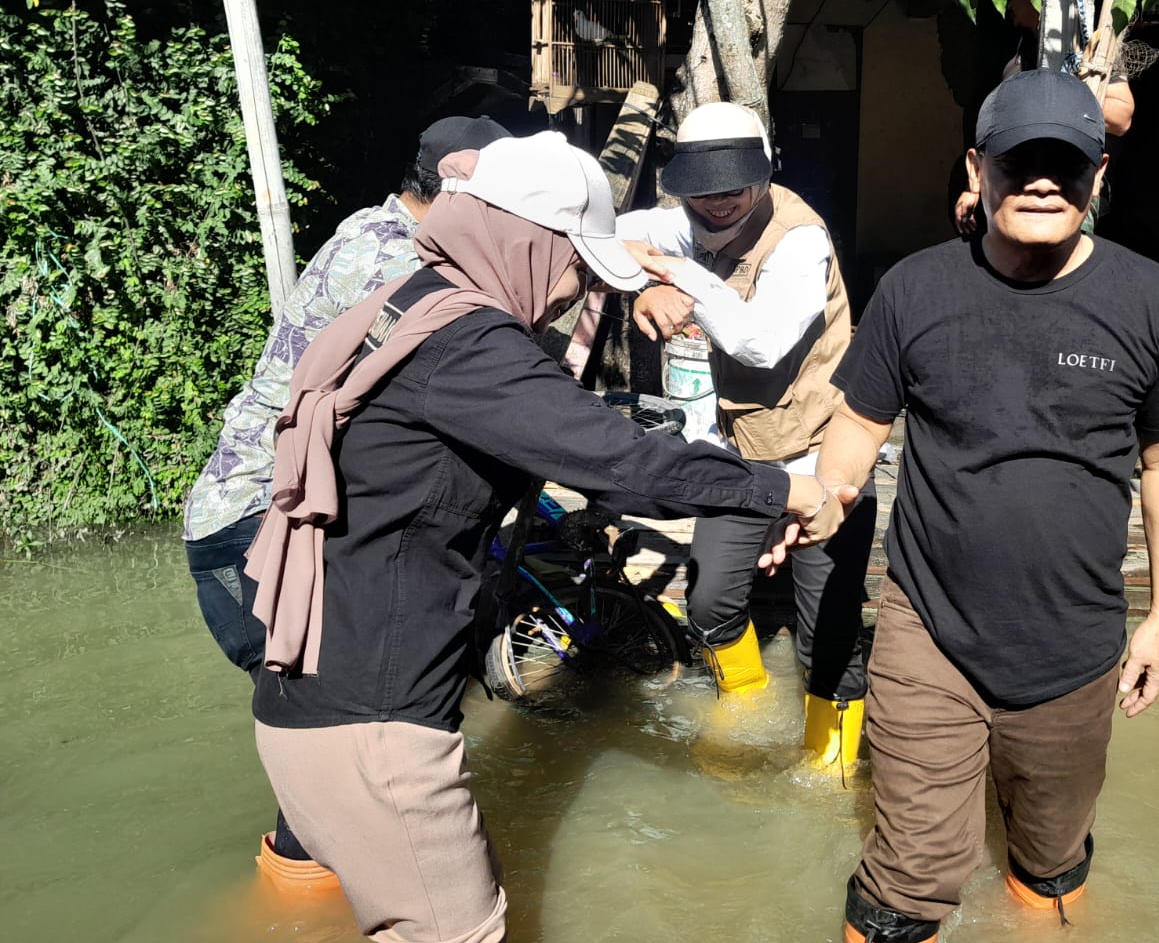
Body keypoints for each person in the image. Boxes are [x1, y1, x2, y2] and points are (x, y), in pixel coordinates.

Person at [246, 132, 840, 943]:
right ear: (529, 240)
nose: (573, 294)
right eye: (575, 267)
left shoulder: (416, 300)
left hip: (326, 689)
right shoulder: (469, 344)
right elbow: (624, 465)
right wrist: (779, 487)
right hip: (370, 720)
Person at [804, 69, 1159, 941]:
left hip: (1074, 643)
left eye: (1065, 165)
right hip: (930, 629)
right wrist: (821, 502)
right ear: (976, 168)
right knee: (907, 878)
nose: (1042, 182)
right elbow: (859, 419)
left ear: (1098, 175)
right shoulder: (917, 290)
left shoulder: (1154, 303)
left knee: (1048, 863)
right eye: (1019, 161)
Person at [181, 114, 508, 886]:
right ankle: (295, 904)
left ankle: (318, 890)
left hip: (277, 507)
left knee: (337, 743)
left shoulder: (381, 224)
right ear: (460, 200)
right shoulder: (391, 259)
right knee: (329, 736)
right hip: (257, 518)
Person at [616, 101, 875, 772]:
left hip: (824, 450)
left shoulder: (799, 239)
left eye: (733, 189)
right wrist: (639, 285)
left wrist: (674, 274)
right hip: (741, 449)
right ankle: (747, 697)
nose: (718, 205)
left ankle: (832, 757)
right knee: (709, 601)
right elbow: (600, 235)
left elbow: (757, 343)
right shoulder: (685, 219)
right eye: (702, 193)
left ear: (760, 179)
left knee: (831, 628)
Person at [953, 0, 1135, 236]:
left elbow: (1121, 118)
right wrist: (976, 188)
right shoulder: (1019, 48)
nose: (1008, 4)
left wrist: (1053, 101)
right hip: (1015, 182)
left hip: (1069, 186)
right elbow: (997, 124)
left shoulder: (1090, 47)